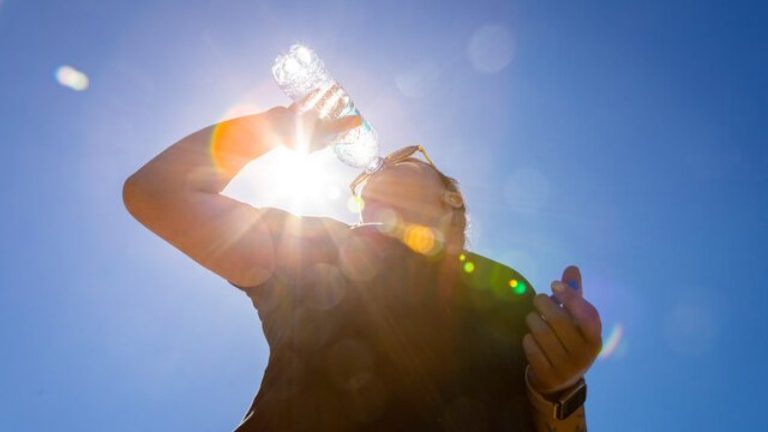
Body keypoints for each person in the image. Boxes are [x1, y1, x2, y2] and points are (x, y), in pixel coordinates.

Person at [123, 91, 603, 431]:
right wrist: (270, 128)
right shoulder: (321, 247)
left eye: (405, 159)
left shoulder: (504, 286)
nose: (380, 165)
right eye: (368, 180)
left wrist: (559, 388)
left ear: (451, 198)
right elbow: (158, 194)